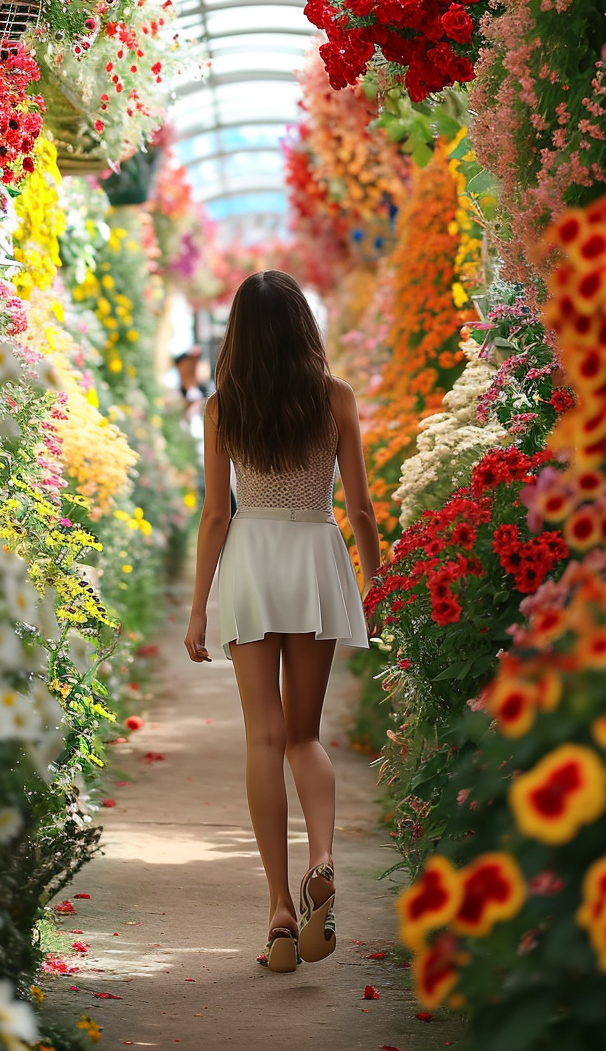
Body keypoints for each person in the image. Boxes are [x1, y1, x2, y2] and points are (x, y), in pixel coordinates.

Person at [183, 271, 380, 974]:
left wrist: (200, 604)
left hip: (251, 560)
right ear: (303, 325)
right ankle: (322, 858)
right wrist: (375, 574)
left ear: (238, 333)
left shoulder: (222, 408)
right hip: (315, 555)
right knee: (303, 734)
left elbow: (215, 514)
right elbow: (358, 507)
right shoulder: (335, 400)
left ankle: (278, 914)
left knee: (262, 738)